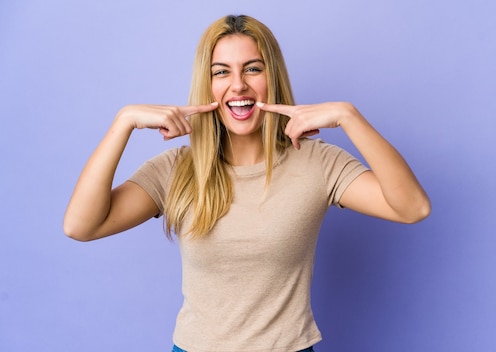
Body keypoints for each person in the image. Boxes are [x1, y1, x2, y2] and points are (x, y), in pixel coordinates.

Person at [63, 14, 430, 352]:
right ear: (206, 85)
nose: (238, 85)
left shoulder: (319, 163)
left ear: (272, 77)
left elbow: (413, 208)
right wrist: (123, 122)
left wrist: (350, 117)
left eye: (252, 69)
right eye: (221, 72)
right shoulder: (176, 170)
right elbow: (81, 226)